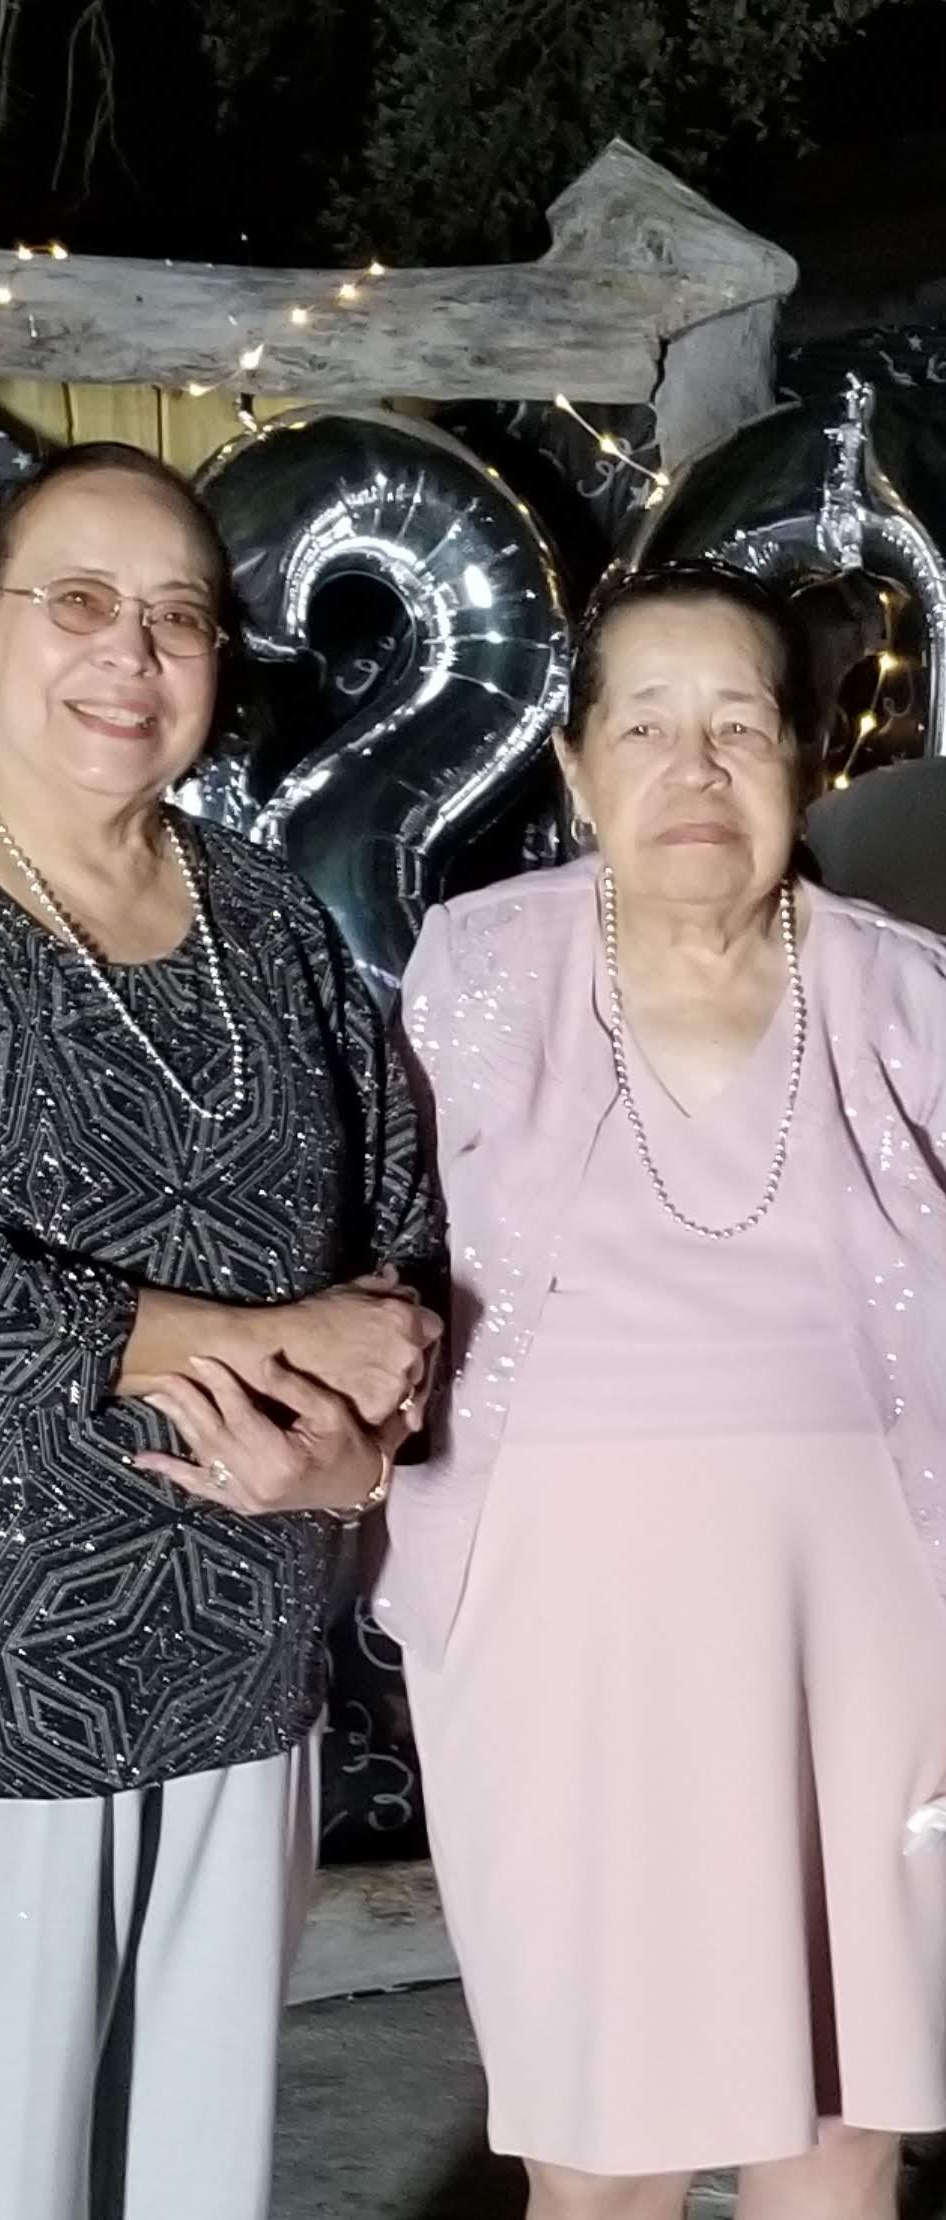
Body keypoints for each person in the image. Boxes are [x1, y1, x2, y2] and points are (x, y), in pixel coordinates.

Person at [0, 440, 443, 2220]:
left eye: (179, 617)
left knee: (198, 2183)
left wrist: (364, 1442)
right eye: (81, 603)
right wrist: (265, 1329)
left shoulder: (266, 922)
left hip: (240, 1666)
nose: (133, 653)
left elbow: (395, 1240)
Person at [365, 561, 946, 2220]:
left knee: (837, 2150)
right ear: (574, 768)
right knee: (599, 2149)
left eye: (740, 727)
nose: (695, 773)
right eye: (648, 726)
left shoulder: (906, 992)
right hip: (561, 1636)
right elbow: (368, 1245)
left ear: (808, 759)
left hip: (877, 1634)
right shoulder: (483, 972)